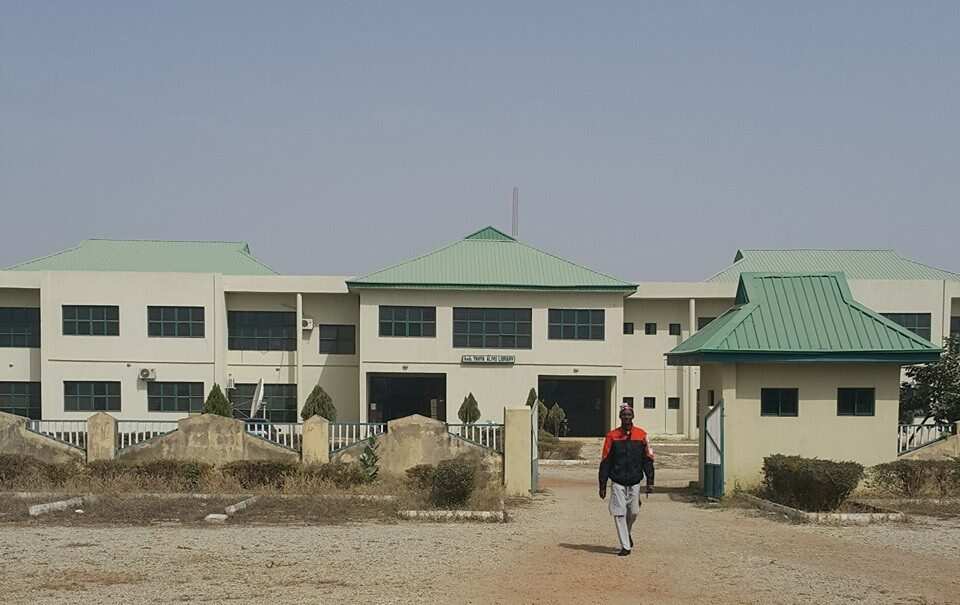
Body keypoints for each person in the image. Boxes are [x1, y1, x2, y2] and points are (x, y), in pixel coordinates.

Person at [598, 402, 655, 556]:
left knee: (634, 512)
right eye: (624, 415)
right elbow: (605, 461)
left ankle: (627, 533)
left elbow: (648, 459)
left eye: (629, 415)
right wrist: (602, 484)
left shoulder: (642, 435)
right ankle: (625, 546)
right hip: (617, 481)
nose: (626, 418)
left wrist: (650, 481)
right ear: (620, 417)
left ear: (633, 416)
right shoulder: (612, 436)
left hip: (635, 481)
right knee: (619, 513)